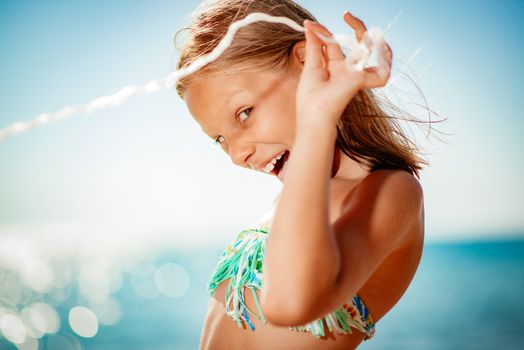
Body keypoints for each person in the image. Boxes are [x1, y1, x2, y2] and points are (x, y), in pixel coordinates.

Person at [174, 0, 429, 348]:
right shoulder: (294, 198)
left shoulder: (389, 192)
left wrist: (318, 118)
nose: (237, 154)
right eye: (220, 139)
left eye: (244, 113)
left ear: (307, 61)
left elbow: (289, 302)